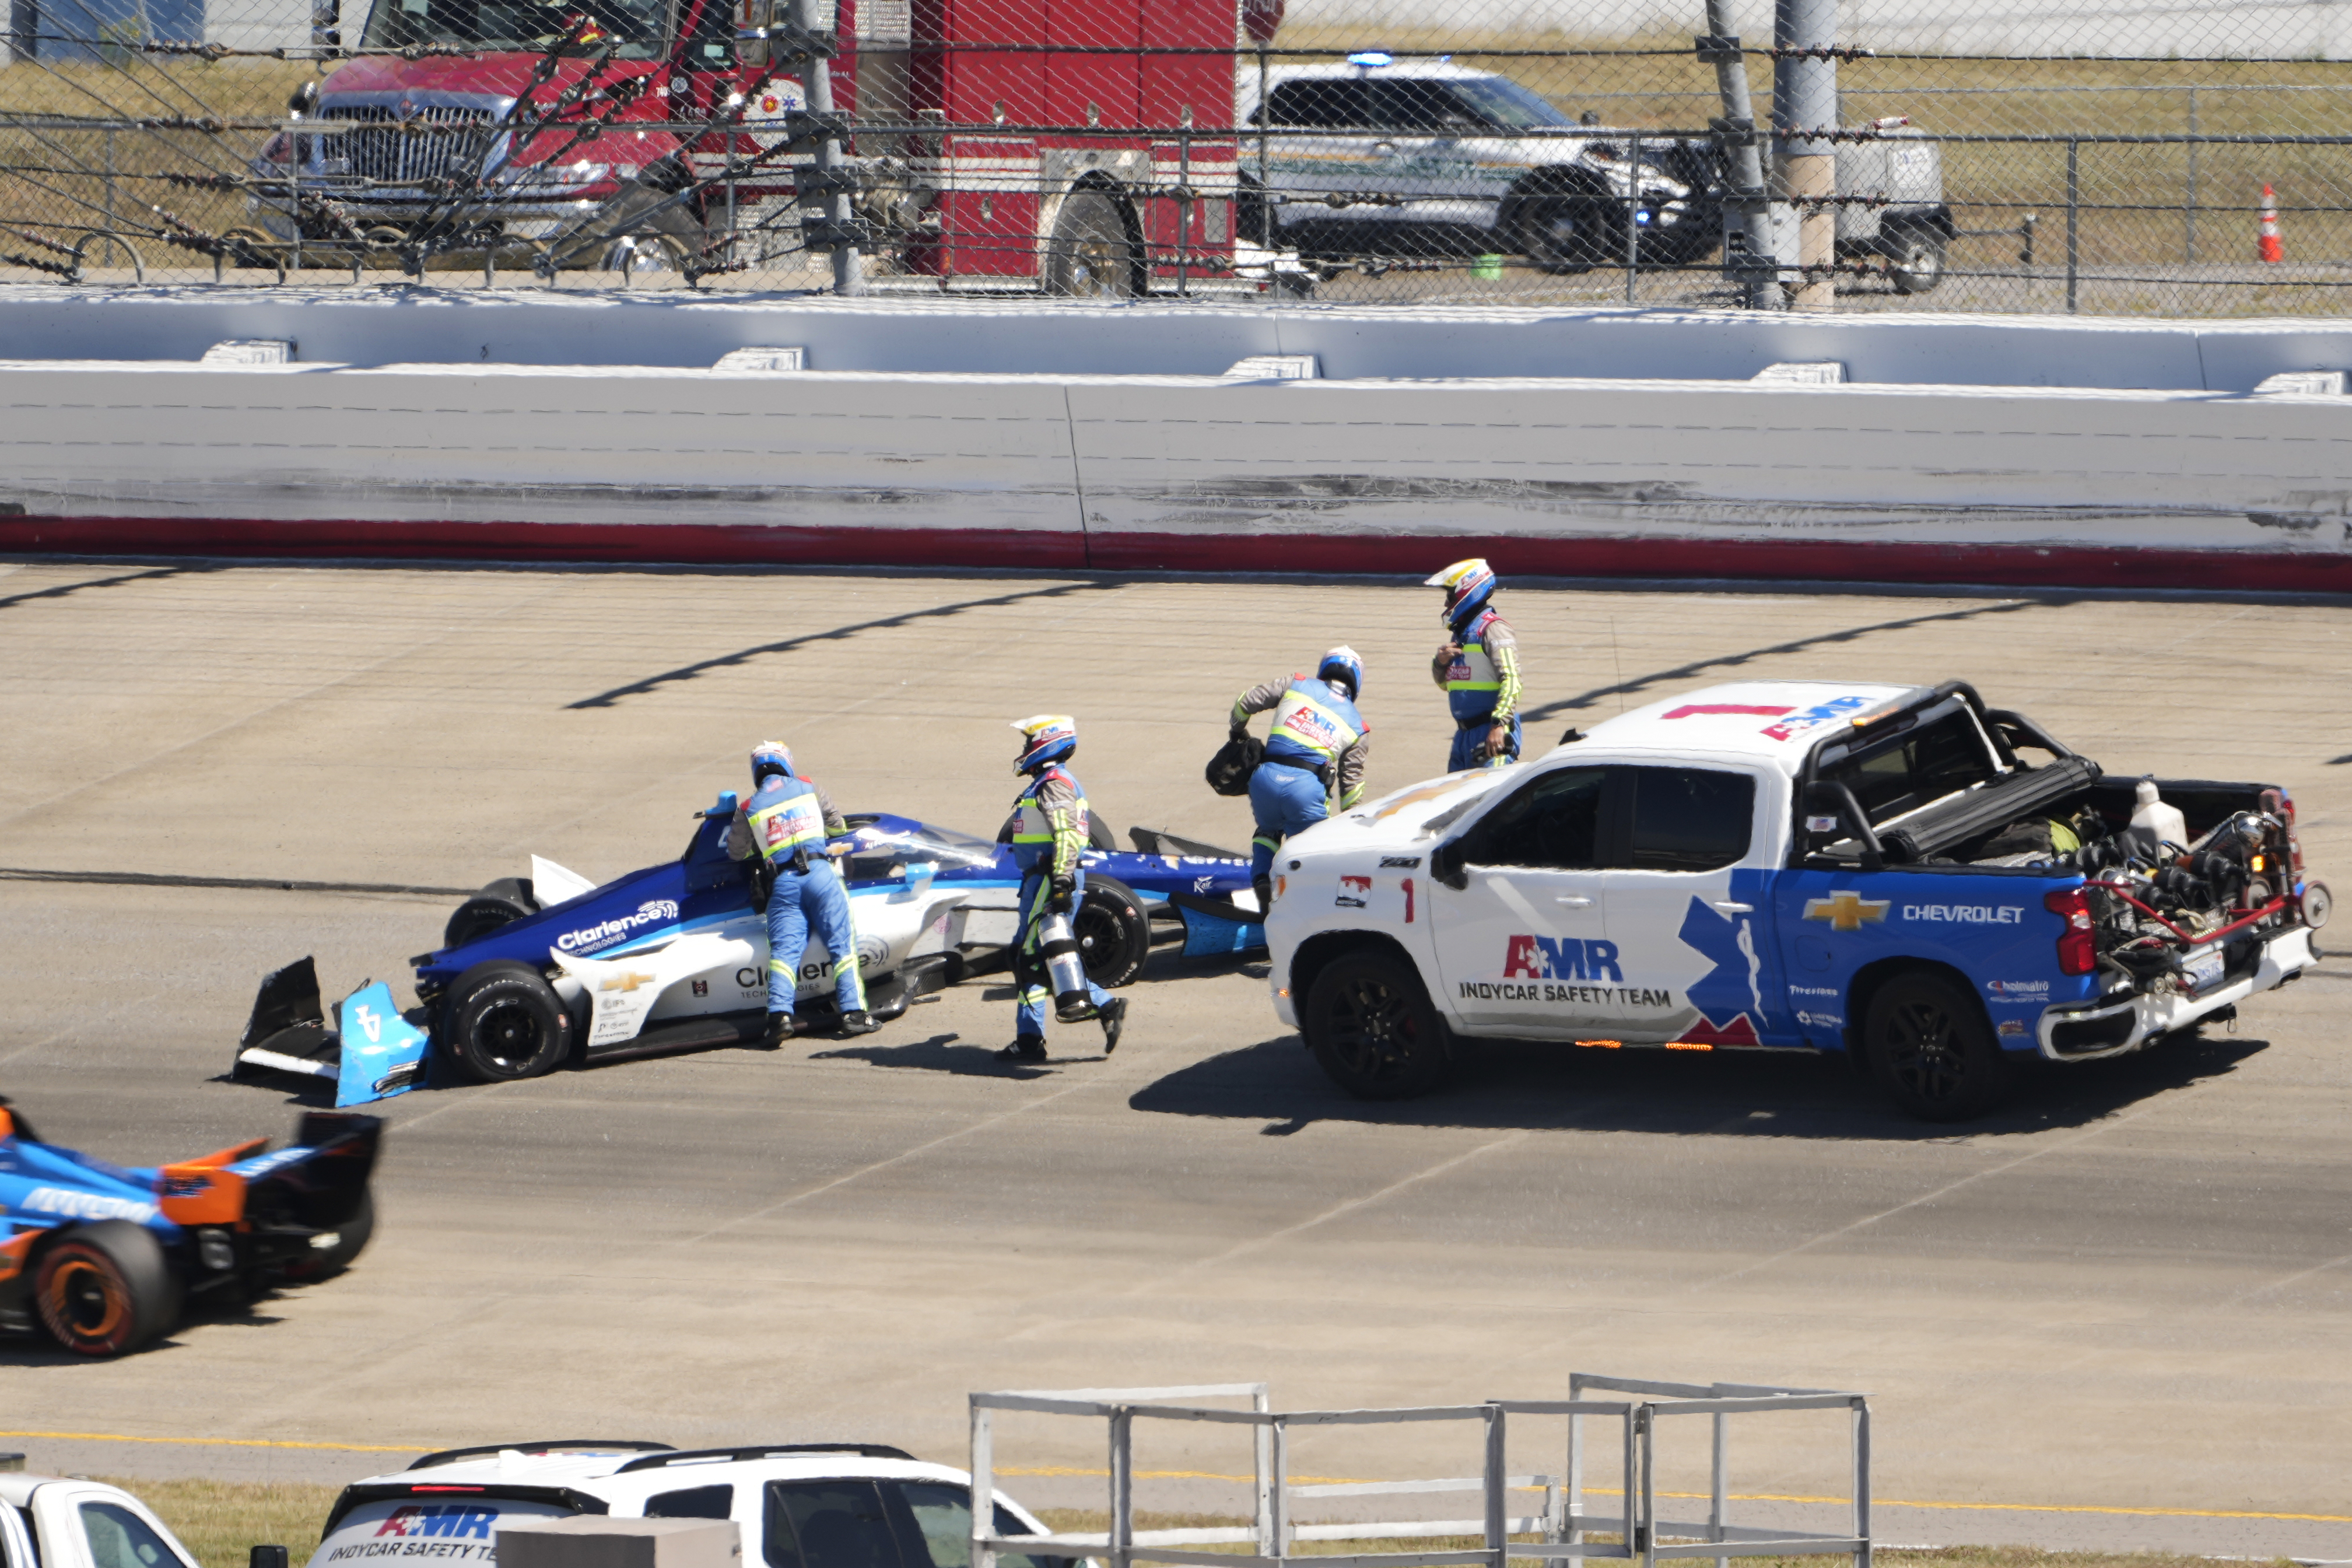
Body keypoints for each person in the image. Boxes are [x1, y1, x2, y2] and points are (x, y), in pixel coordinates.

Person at [726, 741, 879, 1044]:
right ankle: (854, 1015)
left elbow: (735, 853)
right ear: (786, 763)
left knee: (784, 953)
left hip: (783, 883)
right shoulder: (808, 786)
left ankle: (779, 1018)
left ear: (757, 771)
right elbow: (837, 827)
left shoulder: (748, 807)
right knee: (841, 943)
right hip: (821, 875)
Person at [1000, 715, 1129, 1063]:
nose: (1025, 750)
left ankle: (1031, 1040)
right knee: (1033, 957)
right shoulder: (1046, 781)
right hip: (1039, 879)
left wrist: (1060, 881)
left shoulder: (1055, 783)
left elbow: (1068, 835)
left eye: (1029, 742)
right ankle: (1103, 1006)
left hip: (1048, 878)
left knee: (1029, 957)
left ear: (1045, 742)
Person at [1229, 648, 1370, 911]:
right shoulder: (1359, 728)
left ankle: (1261, 879)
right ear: (1357, 681)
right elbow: (1351, 789)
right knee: (1308, 853)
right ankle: (1303, 908)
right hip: (1307, 790)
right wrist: (1353, 822)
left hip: (1264, 779)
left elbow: (1245, 702)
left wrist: (1237, 732)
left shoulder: (1296, 683)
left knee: (1268, 830)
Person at [1426, 558, 1523, 771]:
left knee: (1487, 800)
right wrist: (1440, 663)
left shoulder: (1493, 629)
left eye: (1450, 596)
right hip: (1464, 736)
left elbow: (1512, 679)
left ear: (1467, 592)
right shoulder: (1461, 633)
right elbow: (1447, 685)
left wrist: (1499, 725)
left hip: (1491, 734)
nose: (1446, 604)